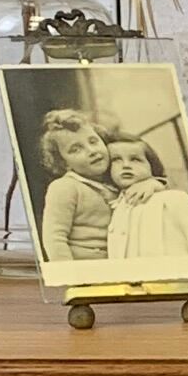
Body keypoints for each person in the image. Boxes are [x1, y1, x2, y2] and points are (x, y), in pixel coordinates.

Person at [99, 135, 188, 282]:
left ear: (152, 166)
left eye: (135, 159)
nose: (126, 165)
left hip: (178, 281)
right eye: (116, 160)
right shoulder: (114, 207)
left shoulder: (173, 198)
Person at [32, 108, 115, 273]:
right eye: (76, 149)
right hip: (87, 272)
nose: (92, 151)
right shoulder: (65, 187)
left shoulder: (113, 179)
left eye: (93, 141)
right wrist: (71, 277)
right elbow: (54, 239)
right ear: (64, 163)